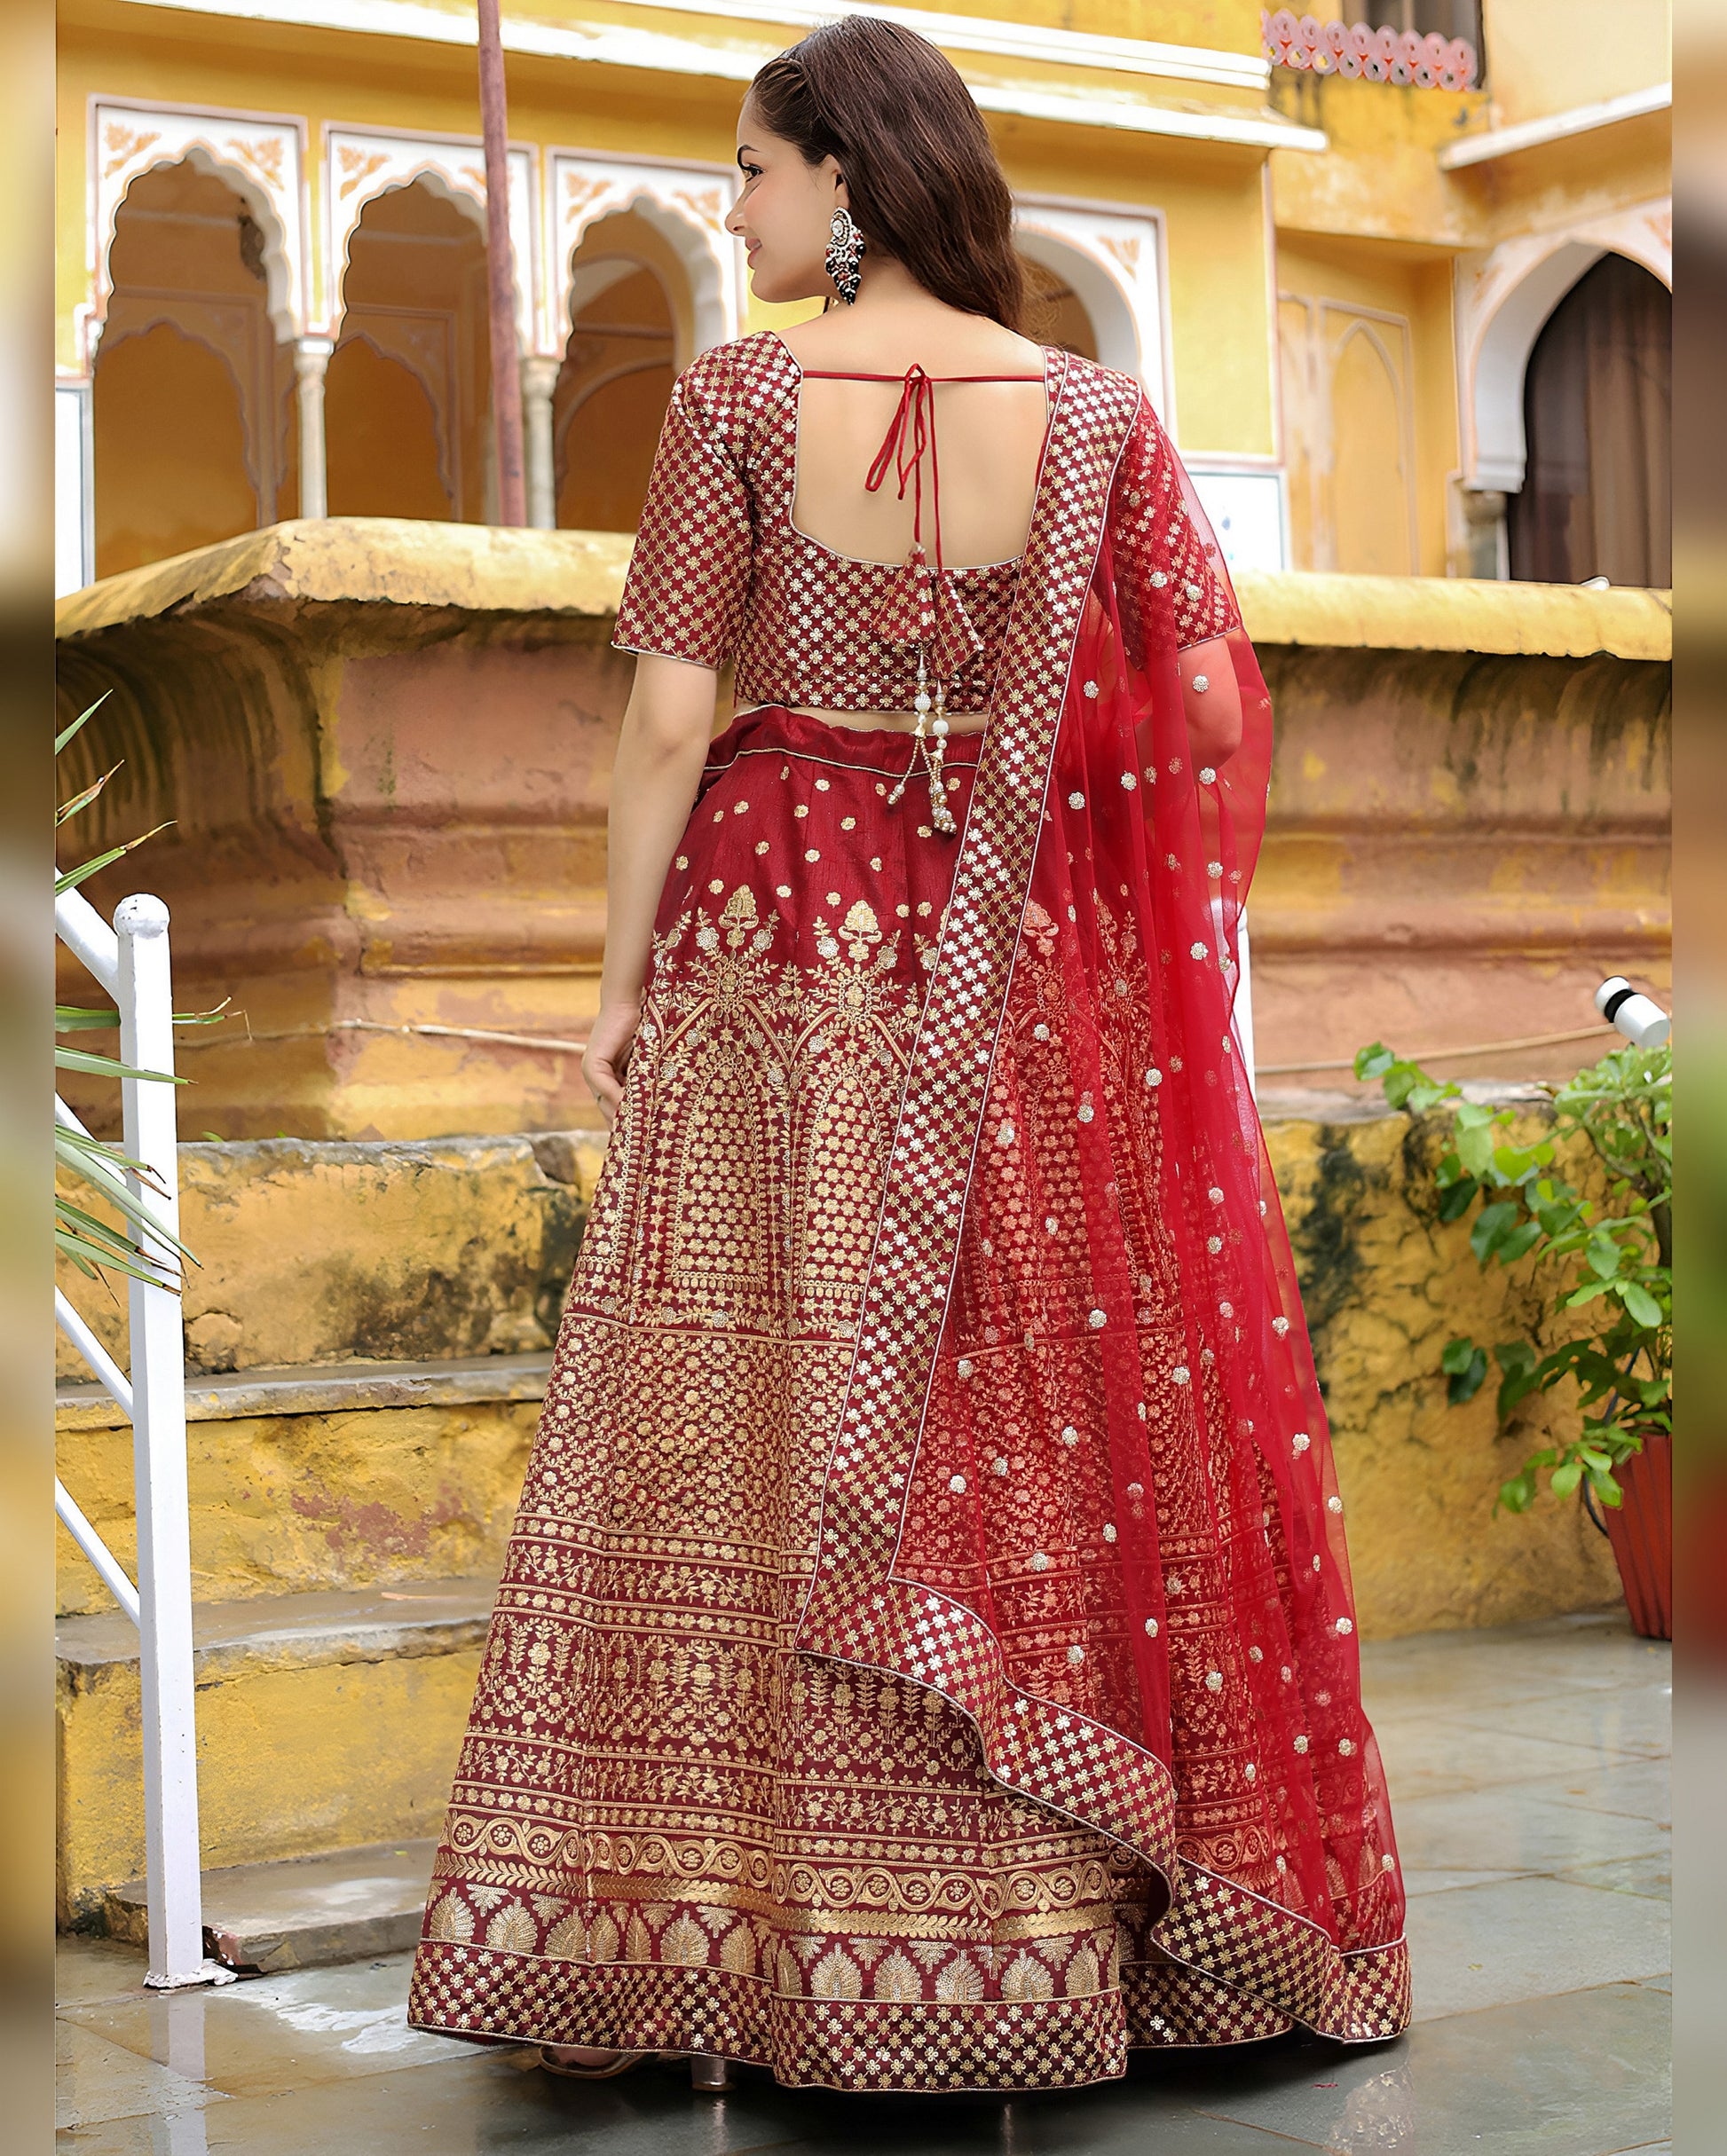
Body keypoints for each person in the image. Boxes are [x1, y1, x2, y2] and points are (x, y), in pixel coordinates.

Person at [407, 15, 1409, 2093]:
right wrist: (1032, 783)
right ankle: (1051, 1945)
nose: (734, 204)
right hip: (1012, 969)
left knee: (756, 1396)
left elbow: (671, 719)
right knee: (1021, 1394)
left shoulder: (738, 403)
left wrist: (609, 982)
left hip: (778, 947)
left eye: (754, 170)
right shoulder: (1104, 418)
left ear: (845, 185)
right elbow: (1212, 719)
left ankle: (741, 1946)